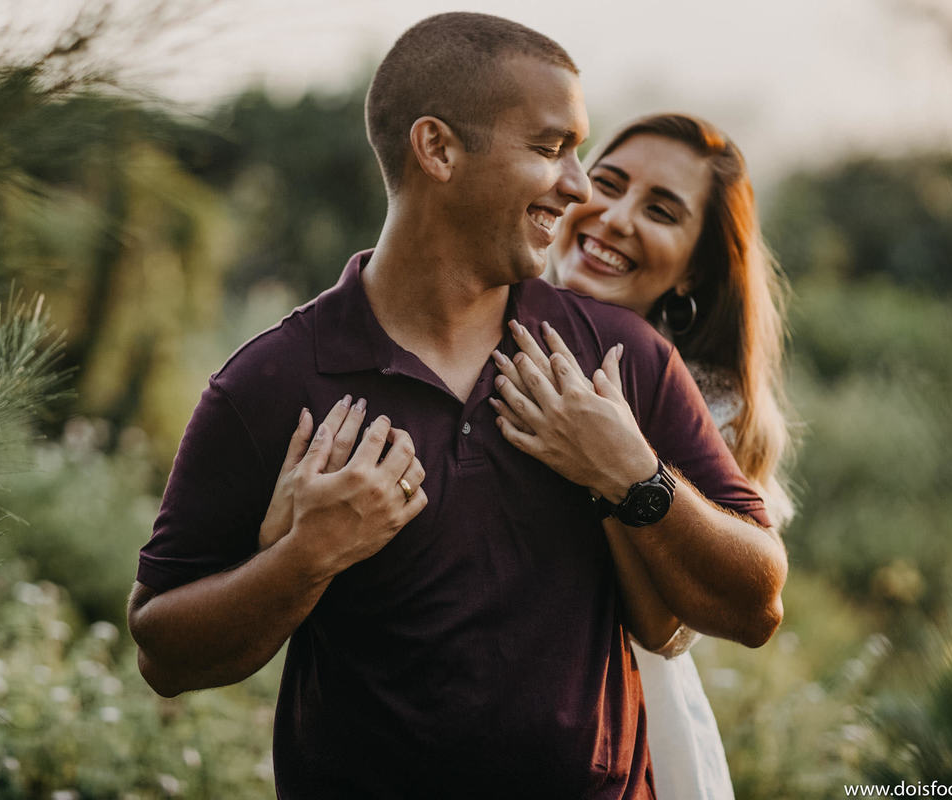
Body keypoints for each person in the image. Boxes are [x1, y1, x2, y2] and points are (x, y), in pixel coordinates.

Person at [127, 13, 787, 799]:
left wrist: (634, 472)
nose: (578, 188)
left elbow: (757, 604)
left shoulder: (624, 361)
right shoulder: (271, 381)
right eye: (551, 149)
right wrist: (303, 559)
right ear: (437, 149)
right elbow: (163, 654)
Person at [489, 113, 794, 799]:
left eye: (660, 210)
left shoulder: (707, 405)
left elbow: (665, 627)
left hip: (624, 734)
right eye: (608, 183)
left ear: (692, 270)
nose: (615, 217)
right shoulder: (480, 319)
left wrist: (619, 468)